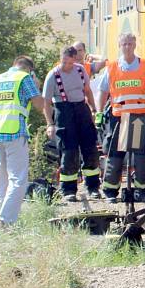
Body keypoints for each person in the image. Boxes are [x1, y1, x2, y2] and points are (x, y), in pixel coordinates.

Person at [97, 33, 145, 204]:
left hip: (138, 117)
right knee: (116, 154)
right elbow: (103, 91)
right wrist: (99, 112)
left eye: (130, 43)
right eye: (124, 44)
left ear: (135, 44)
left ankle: (142, 191)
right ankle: (110, 192)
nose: (127, 47)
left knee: (140, 155)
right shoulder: (112, 67)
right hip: (119, 118)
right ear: (119, 45)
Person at [0, 55, 45, 229]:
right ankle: (5, 220)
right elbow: (39, 105)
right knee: (18, 179)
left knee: (2, 178)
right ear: (29, 69)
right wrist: (37, 86)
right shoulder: (24, 78)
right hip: (14, 132)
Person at [42, 46, 101, 201]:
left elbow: (87, 91)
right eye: (63, 62)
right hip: (63, 112)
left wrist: (94, 110)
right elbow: (46, 103)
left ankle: (93, 187)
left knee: (90, 150)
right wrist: (50, 124)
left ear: (75, 60)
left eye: (68, 62)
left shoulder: (80, 71)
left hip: (82, 110)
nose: (65, 65)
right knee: (69, 153)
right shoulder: (53, 75)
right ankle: (68, 190)